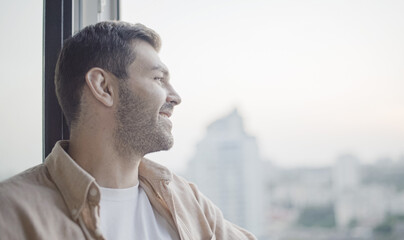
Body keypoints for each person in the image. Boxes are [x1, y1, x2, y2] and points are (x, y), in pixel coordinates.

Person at [0, 21, 256, 240]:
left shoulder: (185, 200)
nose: (175, 97)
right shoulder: (13, 213)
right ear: (104, 87)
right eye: (158, 79)